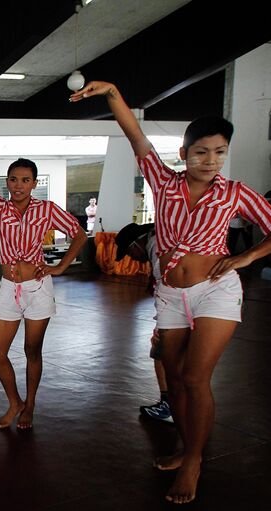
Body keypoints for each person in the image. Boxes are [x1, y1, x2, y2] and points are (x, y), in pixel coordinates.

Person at [72, 81, 271, 504]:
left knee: (197, 378)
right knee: (176, 381)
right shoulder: (163, 181)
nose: (210, 160)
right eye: (201, 151)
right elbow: (135, 136)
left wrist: (245, 258)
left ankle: (195, 460)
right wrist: (112, 94)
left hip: (215, 292)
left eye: (219, 152)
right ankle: (185, 444)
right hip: (169, 295)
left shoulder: (234, 193)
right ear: (184, 154)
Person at [0, 111, 87, 429]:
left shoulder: (46, 209)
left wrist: (61, 266)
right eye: (13, 179)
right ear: (6, 182)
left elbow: (78, 233)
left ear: (35, 183)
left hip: (38, 289)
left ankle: (31, 406)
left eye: (26, 180)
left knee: (32, 351)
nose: (19, 185)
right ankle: (15, 403)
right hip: (9, 288)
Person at [114, 222, 173, 424]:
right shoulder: (161, 239)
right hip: (197, 305)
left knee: (160, 351)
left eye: (129, 252)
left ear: (136, 243)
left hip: (178, 309)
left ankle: (169, 406)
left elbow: (168, 286)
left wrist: (161, 324)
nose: (131, 257)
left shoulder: (157, 248)